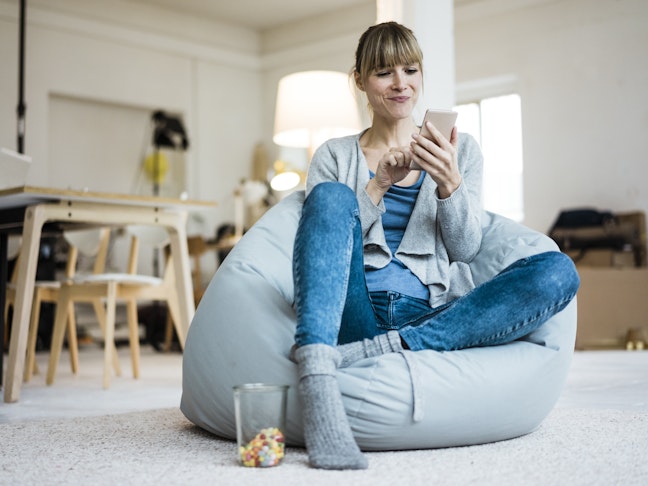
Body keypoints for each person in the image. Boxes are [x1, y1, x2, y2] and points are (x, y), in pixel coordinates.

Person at [290, 21, 579, 470]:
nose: (400, 83)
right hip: (354, 308)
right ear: (362, 82)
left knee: (558, 271)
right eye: (384, 72)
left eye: (410, 69)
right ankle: (316, 374)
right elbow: (324, 240)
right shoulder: (334, 154)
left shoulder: (461, 152)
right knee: (330, 196)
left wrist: (449, 182)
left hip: (432, 313)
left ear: (421, 75)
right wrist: (378, 185)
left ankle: (378, 352)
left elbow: (465, 250)